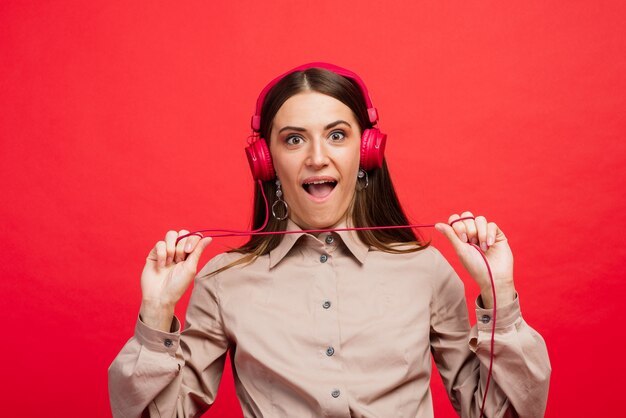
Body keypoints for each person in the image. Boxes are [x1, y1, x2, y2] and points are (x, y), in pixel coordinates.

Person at [108, 63, 551, 417]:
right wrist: (157, 311)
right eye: (294, 139)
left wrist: (500, 295)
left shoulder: (426, 269)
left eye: (337, 135)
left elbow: (499, 413)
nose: (317, 158)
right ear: (266, 162)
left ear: (366, 150)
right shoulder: (223, 281)